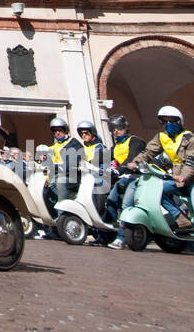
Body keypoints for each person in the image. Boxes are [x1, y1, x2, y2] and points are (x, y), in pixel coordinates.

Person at [108, 106, 193, 247]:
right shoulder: (162, 137)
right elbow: (148, 152)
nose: (168, 124)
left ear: (179, 122)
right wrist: (135, 162)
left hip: (190, 177)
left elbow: (191, 160)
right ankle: (179, 217)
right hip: (175, 178)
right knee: (157, 190)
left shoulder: (189, 137)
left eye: (172, 121)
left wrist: (184, 176)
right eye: (165, 121)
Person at [76, 120, 110, 222]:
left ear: (92, 133)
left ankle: (104, 229)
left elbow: (104, 167)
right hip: (85, 182)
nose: (83, 135)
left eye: (86, 133)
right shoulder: (82, 149)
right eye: (81, 134)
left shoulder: (100, 147)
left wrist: (90, 165)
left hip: (98, 181)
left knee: (98, 208)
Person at [45, 117, 83, 204]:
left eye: (59, 130)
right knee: (46, 187)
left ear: (65, 130)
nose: (57, 133)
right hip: (57, 176)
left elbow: (72, 163)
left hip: (73, 176)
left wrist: (58, 167)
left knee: (60, 181)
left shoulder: (73, 143)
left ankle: (62, 212)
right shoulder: (53, 147)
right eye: (54, 131)